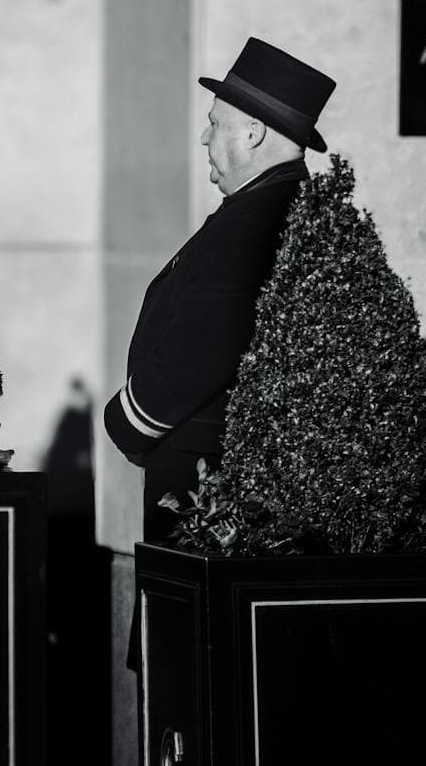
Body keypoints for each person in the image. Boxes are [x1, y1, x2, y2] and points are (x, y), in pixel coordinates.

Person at [102, 36, 337, 541]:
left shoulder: (252, 222)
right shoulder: (277, 205)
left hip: (207, 479)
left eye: (215, 123)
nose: (204, 138)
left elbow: (204, 345)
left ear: (252, 133)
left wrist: (125, 420)